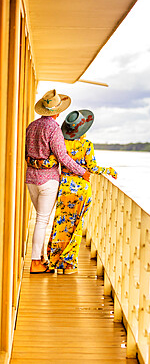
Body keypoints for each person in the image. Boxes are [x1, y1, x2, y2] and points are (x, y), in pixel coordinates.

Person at [28, 109, 117, 274]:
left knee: (60, 226)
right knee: (75, 227)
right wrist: (109, 171)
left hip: (63, 187)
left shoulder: (60, 141)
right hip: (79, 188)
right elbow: (92, 167)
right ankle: (68, 265)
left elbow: (55, 160)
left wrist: (34, 162)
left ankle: (53, 260)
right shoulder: (86, 145)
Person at [25, 90, 90, 274]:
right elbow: (63, 157)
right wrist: (82, 172)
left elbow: (25, 154)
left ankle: (41, 259)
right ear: (57, 112)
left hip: (31, 178)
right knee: (42, 220)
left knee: (40, 219)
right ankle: (36, 261)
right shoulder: (53, 129)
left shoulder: (31, 126)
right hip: (48, 180)